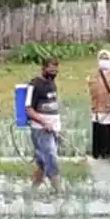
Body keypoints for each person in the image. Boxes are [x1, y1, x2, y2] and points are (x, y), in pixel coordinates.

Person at [24, 57, 64, 194]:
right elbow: (28, 109)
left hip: (53, 129)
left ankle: (31, 193)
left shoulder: (52, 84)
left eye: (56, 70)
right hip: (40, 130)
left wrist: (58, 129)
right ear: (43, 68)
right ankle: (60, 192)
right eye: (51, 69)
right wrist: (43, 122)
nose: (53, 72)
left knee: (42, 163)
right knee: (51, 159)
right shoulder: (34, 85)